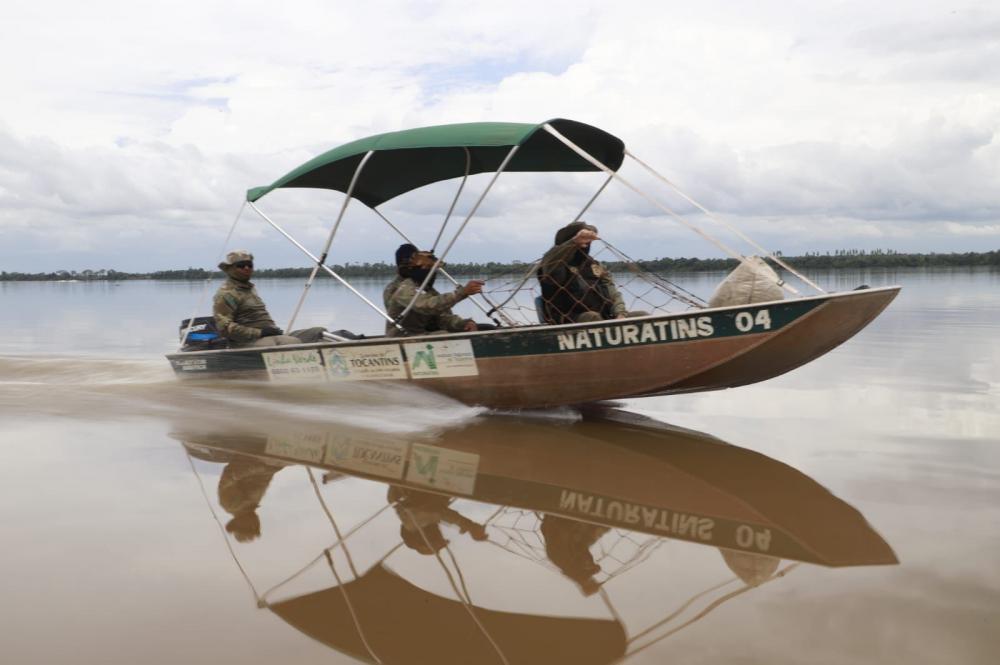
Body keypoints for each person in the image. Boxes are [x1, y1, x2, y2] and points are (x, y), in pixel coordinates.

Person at [537, 221, 646, 324]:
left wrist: (620, 314)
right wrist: (573, 242)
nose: (585, 245)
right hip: (568, 319)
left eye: (587, 241)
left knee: (643, 316)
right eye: (582, 240)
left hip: (603, 317)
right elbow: (551, 259)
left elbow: (612, 291)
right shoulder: (552, 266)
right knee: (592, 317)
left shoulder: (595, 266)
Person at [213, 250, 327, 347]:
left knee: (318, 332)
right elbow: (224, 328)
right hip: (245, 343)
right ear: (230, 269)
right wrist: (260, 332)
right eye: (241, 265)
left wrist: (269, 332)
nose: (247, 268)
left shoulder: (249, 289)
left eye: (250, 265)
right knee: (291, 342)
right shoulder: (226, 294)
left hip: (270, 336)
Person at [383, 244, 487, 337]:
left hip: (422, 334)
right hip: (403, 337)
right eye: (428, 268)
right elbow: (427, 306)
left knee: (485, 328)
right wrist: (462, 292)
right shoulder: (402, 288)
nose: (432, 273)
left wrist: (463, 324)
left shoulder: (426, 289)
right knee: (444, 335)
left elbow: (442, 317)